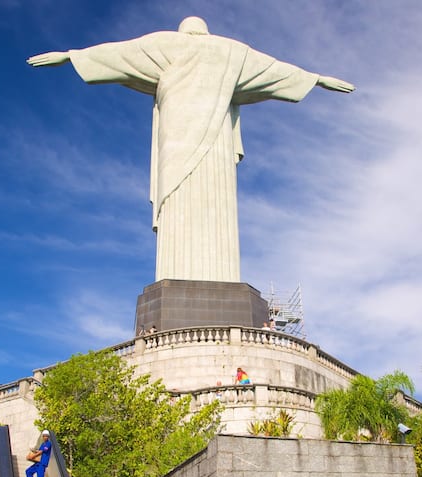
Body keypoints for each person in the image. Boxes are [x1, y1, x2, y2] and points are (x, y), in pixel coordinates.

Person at [28, 17, 353, 283]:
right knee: (187, 204)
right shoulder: (231, 52)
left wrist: (72, 55)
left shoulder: (164, 44)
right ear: (205, 31)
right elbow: (274, 70)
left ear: (183, 30)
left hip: (183, 140)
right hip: (195, 141)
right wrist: (316, 79)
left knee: (196, 199)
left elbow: (120, 54)